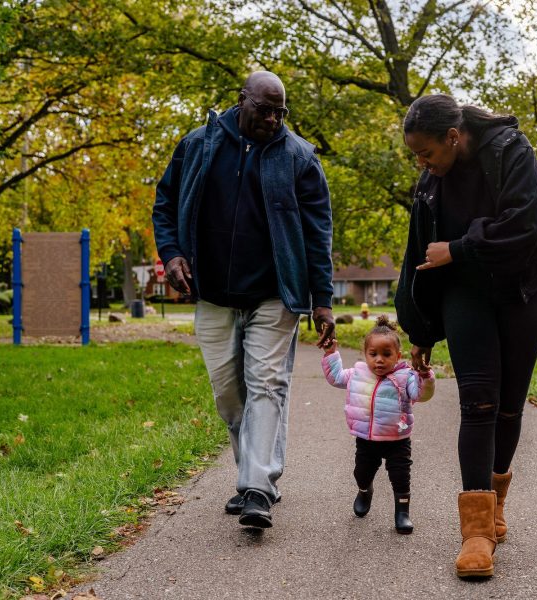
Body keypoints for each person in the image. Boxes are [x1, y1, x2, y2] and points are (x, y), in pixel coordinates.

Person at [152, 71, 335, 529]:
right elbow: (166, 202)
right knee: (229, 394)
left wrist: (323, 299)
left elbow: (318, 233)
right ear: (242, 101)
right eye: (264, 109)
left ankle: (256, 488)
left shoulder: (299, 159)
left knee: (267, 383)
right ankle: (254, 475)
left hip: (276, 292)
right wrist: (172, 254)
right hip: (211, 292)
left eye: (281, 112)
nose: (273, 119)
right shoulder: (198, 144)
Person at [395, 94, 537, 577]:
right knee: (479, 402)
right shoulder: (431, 184)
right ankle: (477, 532)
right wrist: (421, 329)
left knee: (510, 404)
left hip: (522, 292)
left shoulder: (510, 150)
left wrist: (461, 247)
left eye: (426, 152)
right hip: (466, 296)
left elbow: (529, 226)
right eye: (414, 156)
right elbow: (418, 259)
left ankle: (495, 503)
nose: (421, 163)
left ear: (453, 136)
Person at [321, 316, 435, 534]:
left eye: (386, 354)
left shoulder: (406, 376)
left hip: (397, 440)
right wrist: (330, 354)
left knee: (401, 477)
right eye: (373, 354)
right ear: (365, 355)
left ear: (398, 356)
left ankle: (402, 513)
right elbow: (335, 377)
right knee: (361, 473)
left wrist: (424, 375)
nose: (379, 360)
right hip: (366, 439)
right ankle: (365, 490)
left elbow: (421, 395)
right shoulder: (357, 374)